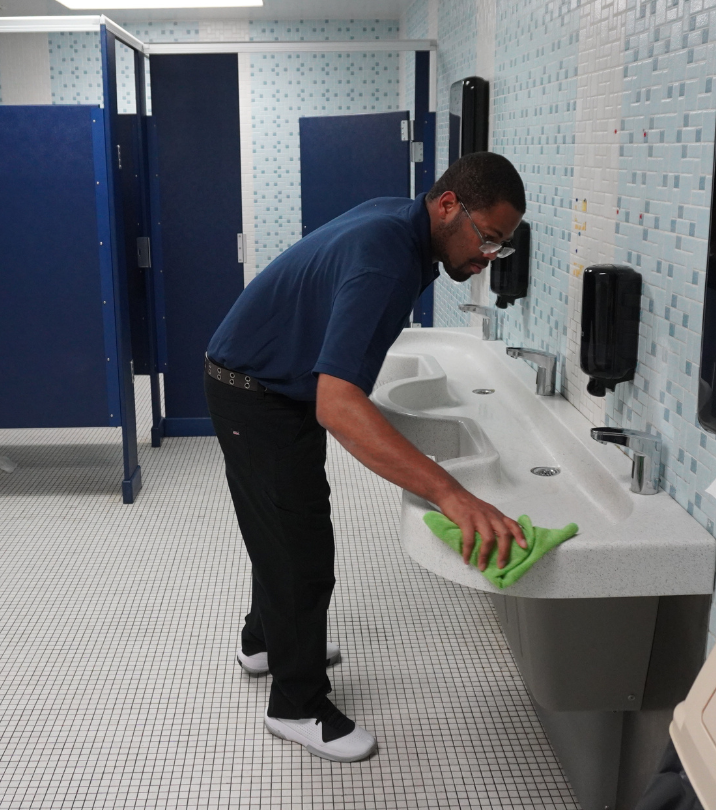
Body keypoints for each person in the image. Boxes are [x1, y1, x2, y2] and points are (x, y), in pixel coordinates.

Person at [204, 151, 529, 762]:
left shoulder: (401, 225)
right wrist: (452, 493)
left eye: (501, 247)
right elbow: (338, 403)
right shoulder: (387, 256)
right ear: (449, 205)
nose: (488, 257)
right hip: (256, 394)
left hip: (267, 381)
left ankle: (263, 645)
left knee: (281, 527)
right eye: (488, 238)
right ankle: (296, 705)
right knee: (302, 549)